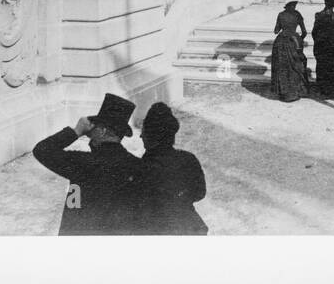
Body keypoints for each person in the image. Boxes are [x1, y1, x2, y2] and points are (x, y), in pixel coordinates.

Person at [32, 93, 144, 235]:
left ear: (103, 131)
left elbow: (42, 150)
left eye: (93, 127)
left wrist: (77, 131)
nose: (89, 133)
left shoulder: (84, 163)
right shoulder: (138, 165)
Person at [138, 102, 208, 235]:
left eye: (143, 132)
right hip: (189, 226)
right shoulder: (188, 159)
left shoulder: (141, 167)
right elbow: (200, 193)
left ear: (149, 136)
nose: (140, 136)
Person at [270, 0, 309, 101]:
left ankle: (284, 93)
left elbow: (276, 31)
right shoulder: (297, 14)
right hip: (294, 42)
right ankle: (297, 91)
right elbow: (304, 32)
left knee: (282, 66)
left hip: (281, 42)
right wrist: (299, 40)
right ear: (293, 5)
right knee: (296, 65)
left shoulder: (281, 14)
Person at [311, 0, 334, 99]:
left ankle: (322, 90)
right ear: (333, 4)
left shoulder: (318, 15)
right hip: (333, 47)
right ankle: (333, 91)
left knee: (321, 68)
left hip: (321, 46)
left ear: (325, 2)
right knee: (333, 68)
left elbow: (314, 32)